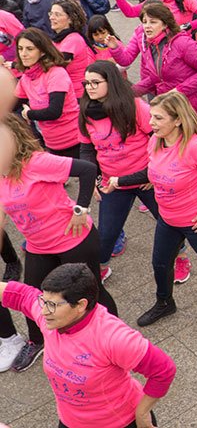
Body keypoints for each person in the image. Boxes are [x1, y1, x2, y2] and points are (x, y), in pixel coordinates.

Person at [105, 91, 197, 346]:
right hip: (167, 218)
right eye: (151, 117)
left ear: (177, 120)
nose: (151, 123)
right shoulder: (157, 141)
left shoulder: (195, 146)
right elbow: (150, 173)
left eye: (158, 118)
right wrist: (118, 182)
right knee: (160, 264)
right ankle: (165, 303)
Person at [105, 1, 197, 217]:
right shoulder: (149, 45)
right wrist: (127, 93)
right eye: (144, 21)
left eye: (153, 22)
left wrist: (179, 91)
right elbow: (153, 79)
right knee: (175, 154)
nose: (147, 26)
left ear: (165, 24)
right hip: (173, 114)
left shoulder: (181, 43)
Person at [0, 114, 118, 373]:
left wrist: (81, 209)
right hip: (38, 245)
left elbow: (87, 170)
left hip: (72, 239)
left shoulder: (37, 162)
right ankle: (37, 340)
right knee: (34, 296)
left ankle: (114, 337)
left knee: (91, 292)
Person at [2, 262, 174, 427]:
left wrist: (142, 413)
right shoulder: (50, 317)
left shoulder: (113, 337)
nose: (45, 311)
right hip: (71, 421)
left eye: (52, 305)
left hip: (119, 422)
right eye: (44, 301)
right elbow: (20, 294)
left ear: (81, 305)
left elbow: (163, 370)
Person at [77, 61, 159, 284]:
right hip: (113, 183)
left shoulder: (134, 106)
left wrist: (154, 171)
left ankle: (180, 256)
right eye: (86, 83)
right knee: (105, 235)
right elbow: (86, 148)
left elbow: (159, 136)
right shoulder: (85, 112)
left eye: (95, 82)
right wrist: (91, 179)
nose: (90, 87)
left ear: (110, 82)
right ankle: (101, 268)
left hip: (145, 179)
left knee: (168, 222)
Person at [14, 28, 80, 158]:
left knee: (93, 176)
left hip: (75, 140)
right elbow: (12, 105)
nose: (23, 54)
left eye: (29, 49)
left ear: (43, 51)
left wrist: (28, 114)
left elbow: (54, 112)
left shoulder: (56, 73)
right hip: (52, 143)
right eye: (20, 48)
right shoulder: (26, 77)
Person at [47, 0, 96, 99]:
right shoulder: (57, 39)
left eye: (57, 14)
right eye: (51, 13)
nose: (52, 17)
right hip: (67, 90)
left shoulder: (73, 39)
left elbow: (57, 63)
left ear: (70, 19)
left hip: (79, 94)